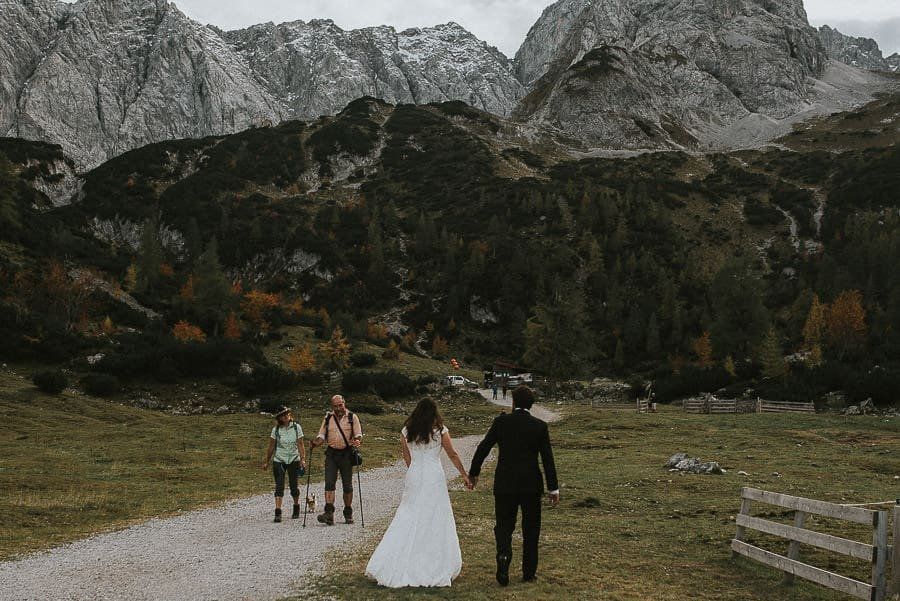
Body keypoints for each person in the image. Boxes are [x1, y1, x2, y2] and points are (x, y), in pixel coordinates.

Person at [365, 398, 471, 587]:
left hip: (415, 473)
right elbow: (452, 453)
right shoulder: (439, 430)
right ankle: (434, 563)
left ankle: (392, 562)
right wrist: (464, 474)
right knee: (434, 516)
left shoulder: (407, 430)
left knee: (408, 515)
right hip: (433, 475)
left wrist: (414, 472)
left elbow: (407, 457)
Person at [469, 385, 559, 586]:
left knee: (504, 525)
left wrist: (474, 472)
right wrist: (553, 488)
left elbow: (484, 447)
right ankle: (528, 572)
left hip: (505, 484)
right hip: (531, 485)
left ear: (514, 402)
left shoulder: (501, 422)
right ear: (532, 404)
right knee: (531, 528)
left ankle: (503, 555)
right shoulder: (540, 426)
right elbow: (547, 459)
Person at [310, 395, 362, 525]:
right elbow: (321, 436)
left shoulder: (352, 417)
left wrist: (357, 441)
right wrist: (315, 443)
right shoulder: (328, 418)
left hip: (346, 454)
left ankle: (348, 513)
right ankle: (329, 514)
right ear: (332, 406)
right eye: (335, 406)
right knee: (329, 483)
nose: (338, 408)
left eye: (340, 405)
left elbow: (358, 434)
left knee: (347, 485)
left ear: (344, 403)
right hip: (332, 454)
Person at [261, 406, 307, 523]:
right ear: (279, 418)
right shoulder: (276, 430)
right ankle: (278, 512)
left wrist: (303, 459)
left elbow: (301, 444)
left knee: (293, 485)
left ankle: (296, 506)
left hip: (293, 459)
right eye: (283, 415)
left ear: (290, 415)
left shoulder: (297, 428)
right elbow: (271, 446)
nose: (285, 416)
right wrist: (267, 460)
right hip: (279, 459)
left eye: (287, 413)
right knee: (279, 485)